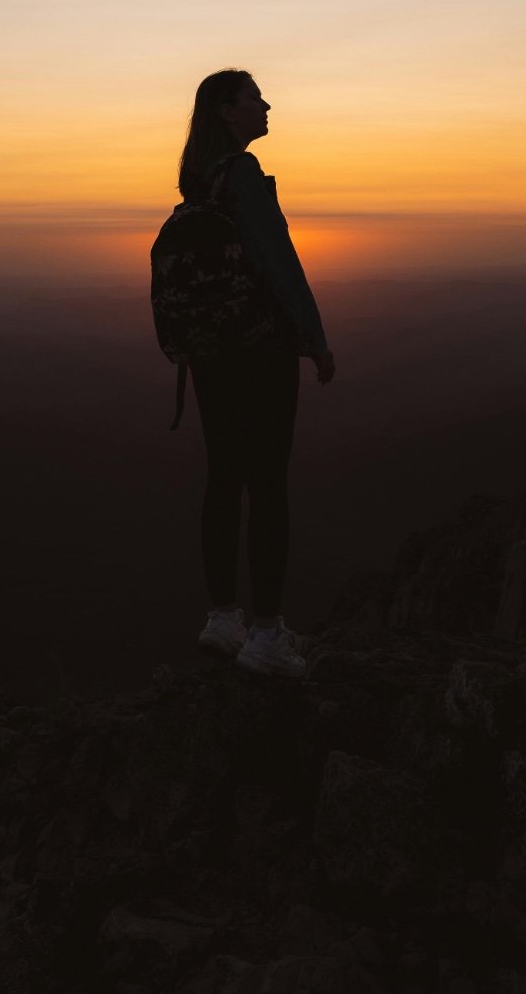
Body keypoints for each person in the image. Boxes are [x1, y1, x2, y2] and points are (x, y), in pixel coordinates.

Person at [177, 69, 335, 679]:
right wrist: (314, 340)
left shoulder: (197, 180)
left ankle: (223, 619)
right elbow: (278, 261)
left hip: (211, 354)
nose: (266, 105)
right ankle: (267, 635)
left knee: (224, 479)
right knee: (268, 485)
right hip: (260, 353)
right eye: (253, 98)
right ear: (225, 110)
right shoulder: (241, 176)